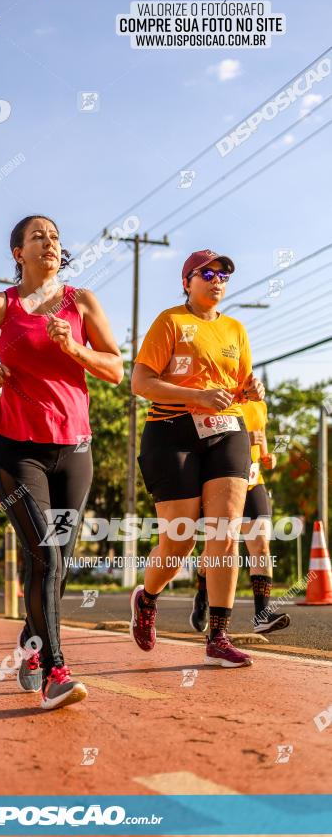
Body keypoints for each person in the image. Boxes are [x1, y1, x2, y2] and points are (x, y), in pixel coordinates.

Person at [0, 214, 123, 709]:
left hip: (75, 451)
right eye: (37, 236)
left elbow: (115, 368)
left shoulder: (82, 302)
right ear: (18, 253)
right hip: (16, 448)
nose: (49, 242)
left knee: (59, 563)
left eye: (54, 236)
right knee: (44, 556)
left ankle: (31, 643)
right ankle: (55, 672)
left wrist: (74, 348)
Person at [130, 249, 265, 668]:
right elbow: (141, 382)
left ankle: (219, 636)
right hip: (172, 433)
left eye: (224, 273)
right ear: (187, 281)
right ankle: (147, 597)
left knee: (224, 531)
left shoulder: (236, 329)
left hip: (226, 430)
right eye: (206, 273)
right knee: (181, 538)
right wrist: (197, 397)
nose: (217, 279)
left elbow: (237, 383)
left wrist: (250, 390)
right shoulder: (171, 322)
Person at [190, 398, 290, 635]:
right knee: (218, 549)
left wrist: (267, 457)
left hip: (254, 481)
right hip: (223, 483)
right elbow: (206, 436)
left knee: (261, 546)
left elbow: (261, 443)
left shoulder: (260, 404)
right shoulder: (219, 397)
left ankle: (262, 616)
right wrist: (243, 436)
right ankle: (203, 593)